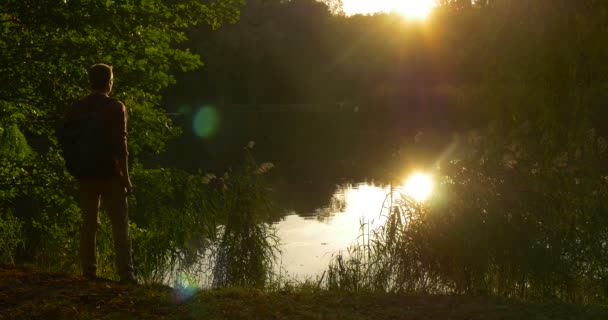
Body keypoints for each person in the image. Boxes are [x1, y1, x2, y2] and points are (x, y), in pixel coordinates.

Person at [66, 63, 136, 283]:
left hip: (85, 173)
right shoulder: (115, 107)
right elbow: (120, 145)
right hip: (110, 174)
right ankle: (126, 274)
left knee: (88, 224)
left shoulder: (78, 107)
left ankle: (89, 271)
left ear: (90, 81)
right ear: (109, 82)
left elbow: (68, 139)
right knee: (120, 225)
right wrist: (125, 177)